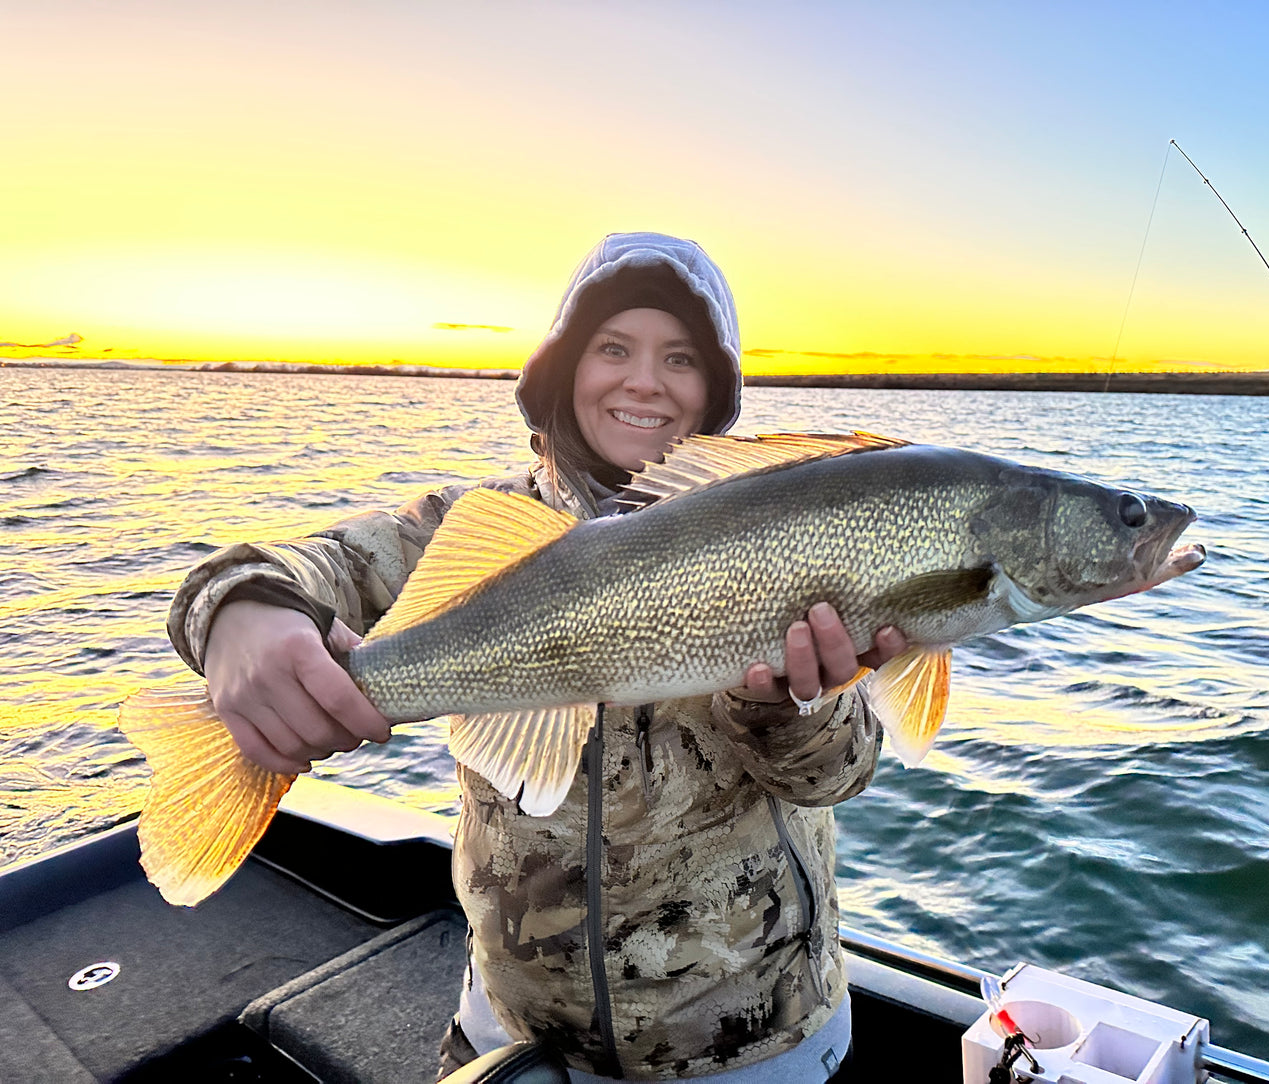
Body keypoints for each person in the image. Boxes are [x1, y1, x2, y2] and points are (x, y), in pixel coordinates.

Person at [165, 232, 907, 1082]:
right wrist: (242, 609)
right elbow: (308, 563)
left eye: (680, 359)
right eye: (612, 348)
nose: (642, 380)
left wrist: (789, 706)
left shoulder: (787, 534)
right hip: (513, 1028)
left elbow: (837, 777)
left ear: (715, 390)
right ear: (562, 366)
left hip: (752, 1044)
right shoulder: (470, 527)